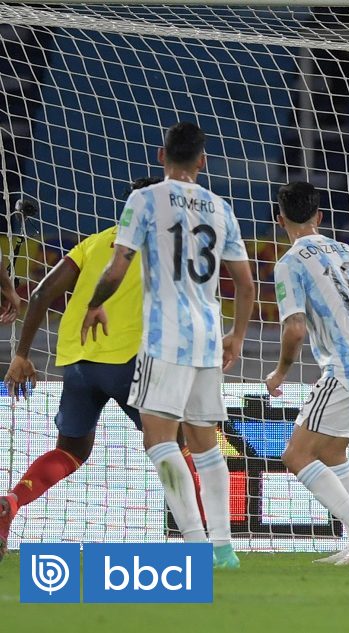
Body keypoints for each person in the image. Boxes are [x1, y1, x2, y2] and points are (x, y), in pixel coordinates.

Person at [0, 178, 204, 562]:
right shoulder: (167, 247)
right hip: (130, 362)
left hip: (78, 364)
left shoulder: (94, 242)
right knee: (176, 447)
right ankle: (203, 537)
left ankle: (11, 501)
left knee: (70, 452)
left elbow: (42, 293)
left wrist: (22, 354)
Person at [81, 122, 256, 569]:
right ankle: (223, 548)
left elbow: (118, 266)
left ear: (161, 156)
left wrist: (94, 304)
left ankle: (197, 547)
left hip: (165, 338)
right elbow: (245, 282)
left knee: (159, 442)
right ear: (202, 161)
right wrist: (235, 335)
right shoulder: (221, 207)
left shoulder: (144, 199)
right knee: (206, 444)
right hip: (208, 338)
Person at [265, 181, 349, 566]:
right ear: (319, 216)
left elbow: (295, 328)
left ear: (280, 219)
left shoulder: (289, 263)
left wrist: (280, 372)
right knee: (333, 451)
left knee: (296, 454)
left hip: (347, 365)